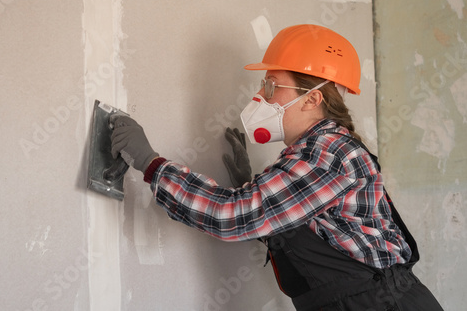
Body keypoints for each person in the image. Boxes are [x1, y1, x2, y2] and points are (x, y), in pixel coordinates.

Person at [110, 25, 443, 310]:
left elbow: (232, 217)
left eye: (271, 86)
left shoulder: (326, 152)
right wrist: (250, 188)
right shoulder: (318, 150)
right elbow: (319, 233)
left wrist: (151, 163)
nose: (261, 95)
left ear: (312, 99)